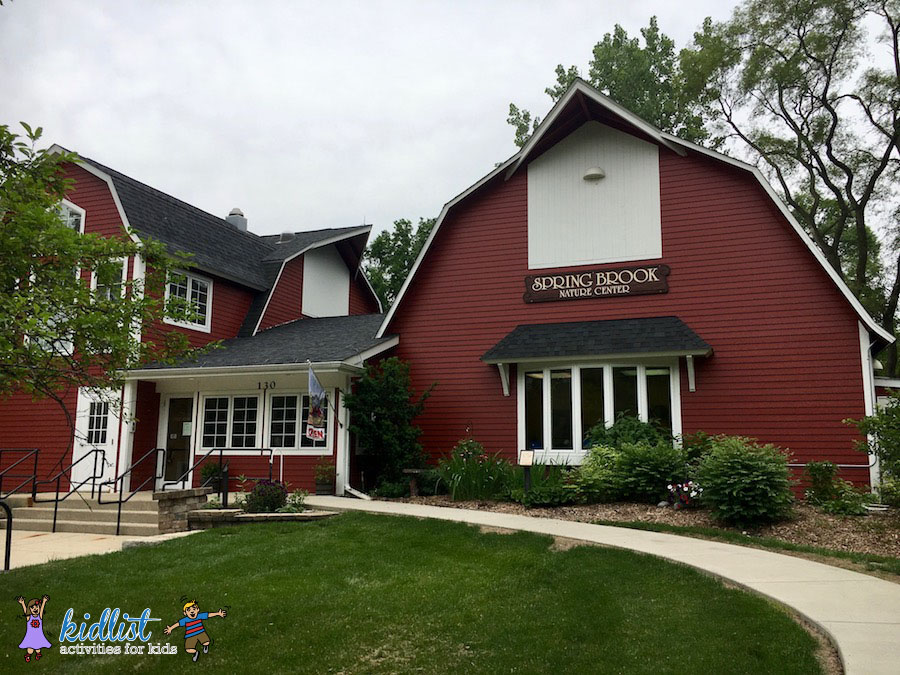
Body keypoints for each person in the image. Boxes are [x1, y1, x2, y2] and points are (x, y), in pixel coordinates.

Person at [15, 595, 51, 662]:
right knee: (30, 649)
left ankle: (38, 654)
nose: (35, 609)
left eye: (37, 607)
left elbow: (42, 609)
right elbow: (25, 611)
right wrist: (22, 603)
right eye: (32, 607)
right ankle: (28, 655)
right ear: (30, 609)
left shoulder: (39, 617)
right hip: (30, 636)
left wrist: (44, 601)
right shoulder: (29, 617)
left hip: (38, 635)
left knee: (38, 648)